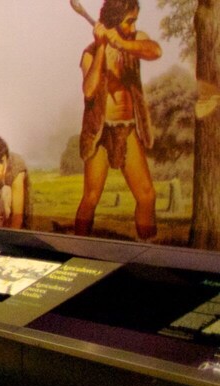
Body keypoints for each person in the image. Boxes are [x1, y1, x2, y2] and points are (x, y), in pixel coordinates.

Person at [76, 0, 161, 239]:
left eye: (134, 21)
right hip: (100, 133)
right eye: (129, 21)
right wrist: (103, 46)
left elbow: (156, 51)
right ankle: (78, 246)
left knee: (147, 195)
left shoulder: (134, 40)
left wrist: (122, 42)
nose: (134, 27)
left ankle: (149, 249)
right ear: (114, 21)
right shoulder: (90, 52)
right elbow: (89, 90)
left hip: (128, 129)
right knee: (91, 197)